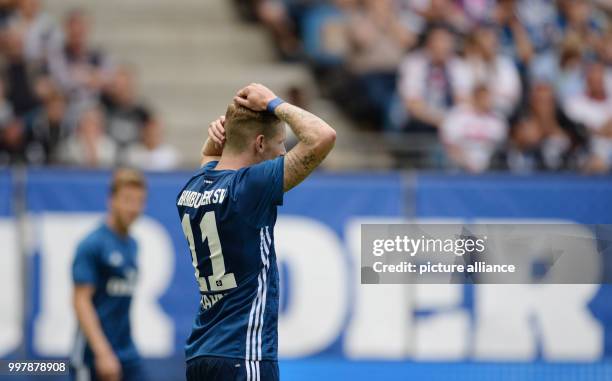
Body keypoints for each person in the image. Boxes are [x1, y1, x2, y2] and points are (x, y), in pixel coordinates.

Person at [177, 83, 336, 381]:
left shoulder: (191, 189)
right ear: (260, 143)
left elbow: (211, 160)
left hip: (201, 353)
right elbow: (323, 137)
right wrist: (274, 103)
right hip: (243, 354)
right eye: (280, 145)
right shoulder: (248, 188)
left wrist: (218, 138)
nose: (283, 153)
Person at [70, 169, 148, 381]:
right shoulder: (92, 244)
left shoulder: (133, 245)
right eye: (127, 200)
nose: (134, 208)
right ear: (111, 200)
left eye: (139, 201)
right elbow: (81, 301)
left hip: (126, 352)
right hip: (93, 355)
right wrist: (102, 353)